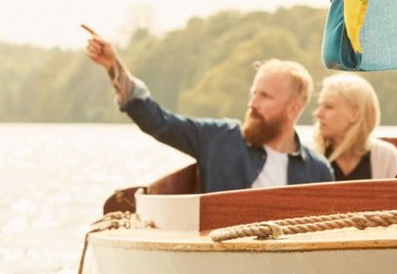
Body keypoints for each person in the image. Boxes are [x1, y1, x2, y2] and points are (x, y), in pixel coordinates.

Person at [84, 28, 334, 192]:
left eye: (265, 96)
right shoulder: (218, 139)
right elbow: (158, 121)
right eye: (253, 94)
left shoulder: (319, 172)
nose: (253, 103)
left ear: (293, 109)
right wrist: (112, 66)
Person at [313, 74, 397, 180]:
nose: (318, 113)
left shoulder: (387, 157)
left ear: (354, 114)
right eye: (320, 105)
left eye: (328, 106)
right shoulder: (309, 157)